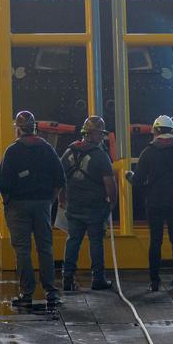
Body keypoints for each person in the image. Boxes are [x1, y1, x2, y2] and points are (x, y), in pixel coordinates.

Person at [0, 110, 66, 307]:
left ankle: (26, 293)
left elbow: (2, 183)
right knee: (45, 248)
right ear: (35, 127)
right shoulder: (47, 149)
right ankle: (50, 291)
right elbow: (60, 178)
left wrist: (8, 203)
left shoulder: (12, 151)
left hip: (18, 206)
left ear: (18, 129)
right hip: (43, 203)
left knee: (23, 250)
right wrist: (50, 200)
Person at [59, 116, 117, 292]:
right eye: (101, 134)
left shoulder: (69, 152)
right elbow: (110, 184)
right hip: (95, 207)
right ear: (95, 134)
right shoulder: (101, 156)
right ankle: (98, 279)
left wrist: (62, 199)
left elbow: (61, 179)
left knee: (73, 241)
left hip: (74, 206)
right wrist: (111, 204)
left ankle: (67, 279)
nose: (102, 138)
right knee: (96, 243)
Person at [134, 115, 173, 291]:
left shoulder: (148, 152)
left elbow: (138, 180)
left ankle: (154, 281)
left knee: (155, 241)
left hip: (155, 202)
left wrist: (129, 177)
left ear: (155, 131)